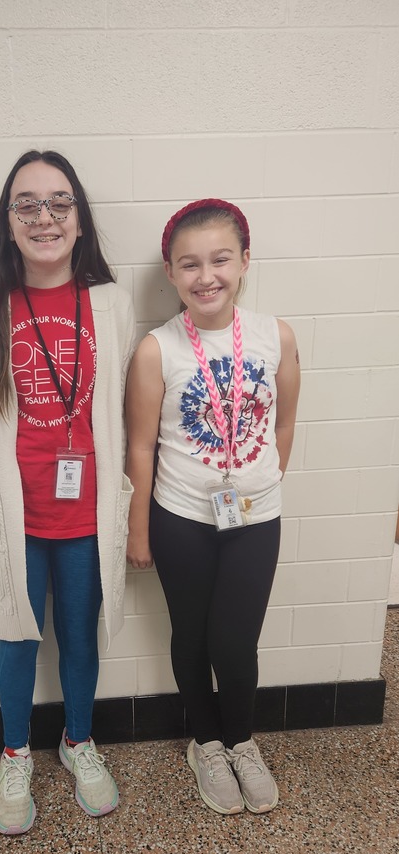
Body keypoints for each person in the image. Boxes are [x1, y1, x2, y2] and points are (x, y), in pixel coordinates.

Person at [0, 150, 136, 835]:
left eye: (59, 203)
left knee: (79, 634)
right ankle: (16, 752)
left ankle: (78, 740)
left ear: (79, 220)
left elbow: (125, 414)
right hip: (12, 516)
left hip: (86, 513)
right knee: (16, 637)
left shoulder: (112, 305)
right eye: (26, 204)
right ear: (8, 222)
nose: (44, 217)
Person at [126, 198, 300, 815]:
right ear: (170, 272)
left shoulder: (274, 335)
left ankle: (242, 740)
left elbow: (284, 424)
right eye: (189, 264)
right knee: (193, 637)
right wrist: (139, 529)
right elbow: (140, 449)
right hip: (180, 519)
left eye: (220, 259)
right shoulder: (157, 350)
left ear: (244, 261)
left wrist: (261, 476)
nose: (207, 276)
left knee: (235, 641)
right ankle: (206, 743)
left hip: (256, 518)